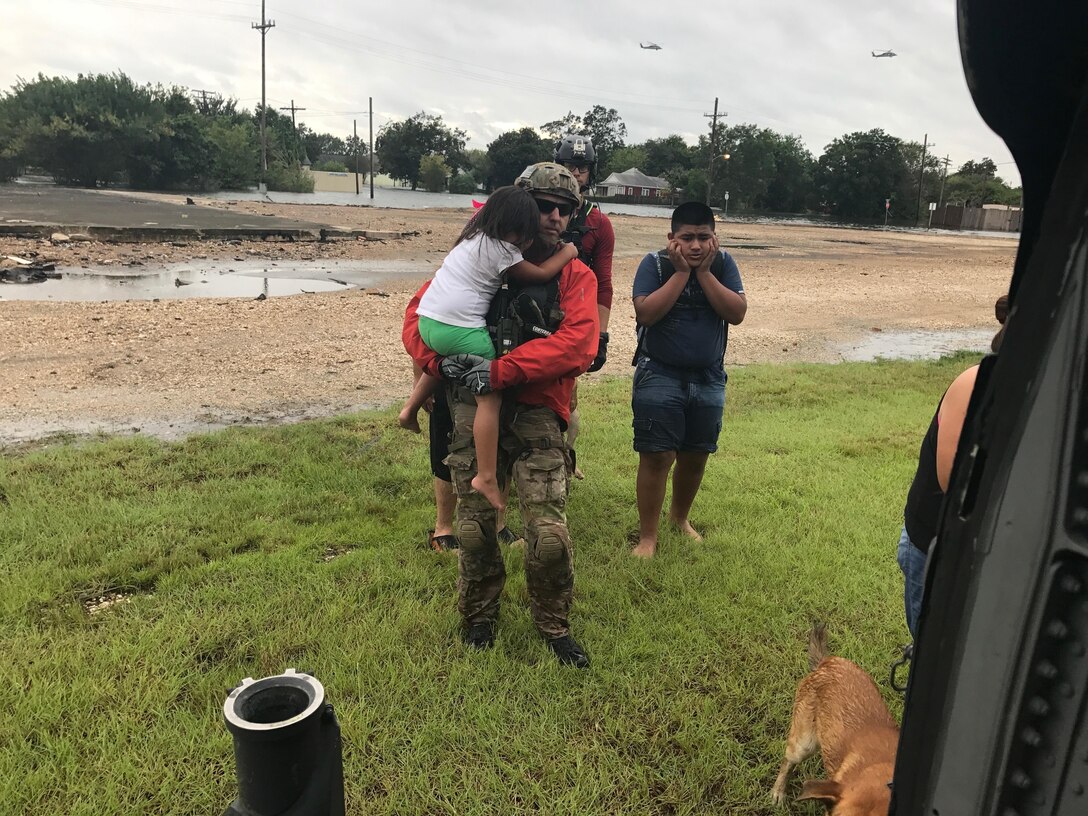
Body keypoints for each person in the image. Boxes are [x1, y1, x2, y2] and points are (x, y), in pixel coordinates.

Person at [403, 162, 599, 668]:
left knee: (550, 536)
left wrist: (499, 372)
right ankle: (478, 617)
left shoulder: (575, 276)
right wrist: (439, 363)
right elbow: (419, 317)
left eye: (565, 209)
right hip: (473, 408)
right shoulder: (477, 253)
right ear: (520, 208)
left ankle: (554, 626)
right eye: (543, 207)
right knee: (474, 527)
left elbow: (578, 345)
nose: (554, 217)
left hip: (537, 411)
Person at [398, 186, 577, 511]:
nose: (524, 242)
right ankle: (486, 475)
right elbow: (540, 273)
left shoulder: (471, 238)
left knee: (452, 361)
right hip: (459, 329)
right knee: (490, 393)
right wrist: (569, 253)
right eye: (523, 234)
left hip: (429, 323)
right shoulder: (504, 252)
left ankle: (409, 408)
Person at [630, 201, 747, 559]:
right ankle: (647, 537)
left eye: (703, 237)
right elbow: (646, 313)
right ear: (672, 238)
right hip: (659, 371)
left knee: (697, 455)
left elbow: (737, 313)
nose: (695, 246)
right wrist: (681, 274)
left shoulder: (724, 264)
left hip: (709, 376)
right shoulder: (654, 264)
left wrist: (706, 274)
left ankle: (679, 519)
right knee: (657, 455)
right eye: (687, 238)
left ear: (715, 238)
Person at [897, 294, 1008, 637]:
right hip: (934, 544)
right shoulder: (974, 384)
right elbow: (953, 480)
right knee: (935, 647)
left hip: (984, 547)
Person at [554, 134, 616, 478]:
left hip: (574, 315)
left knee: (568, 396)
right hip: (530, 309)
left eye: (581, 168)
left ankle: (566, 455)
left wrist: (601, 336)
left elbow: (603, 284)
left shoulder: (599, 224)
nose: (575, 174)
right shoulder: (532, 209)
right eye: (567, 167)